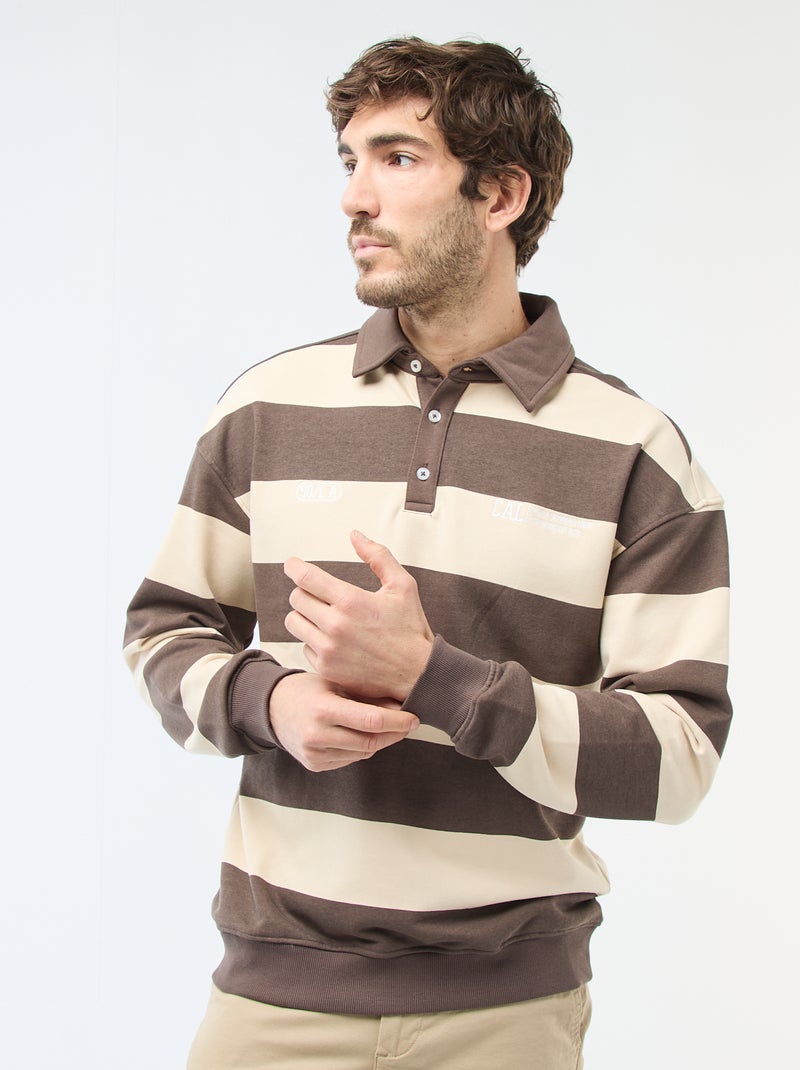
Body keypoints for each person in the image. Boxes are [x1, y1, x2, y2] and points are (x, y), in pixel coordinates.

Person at [124, 36, 732, 1070]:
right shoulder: (266, 407)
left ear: (500, 194)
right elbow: (163, 628)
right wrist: (271, 701)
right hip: (273, 1000)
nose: (354, 198)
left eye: (397, 159)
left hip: (508, 1015)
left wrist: (434, 677)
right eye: (349, 160)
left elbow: (677, 758)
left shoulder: (636, 452)